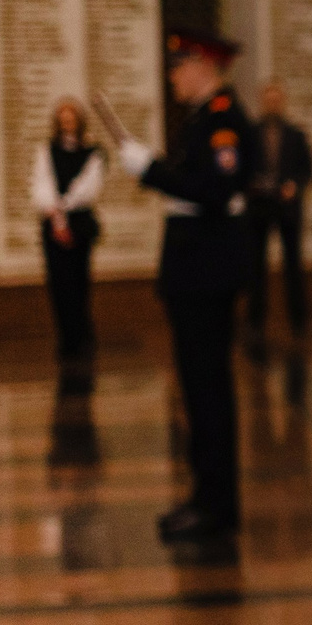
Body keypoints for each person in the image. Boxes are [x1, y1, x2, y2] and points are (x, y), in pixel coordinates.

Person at [111, 31, 255, 544]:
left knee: (209, 391)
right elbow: (198, 187)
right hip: (195, 275)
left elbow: (217, 191)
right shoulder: (203, 120)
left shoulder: (223, 122)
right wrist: (159, 171)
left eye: (178, 65)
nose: (172, 74)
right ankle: (205, 496)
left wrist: (151, 172)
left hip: (207, 276)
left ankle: (217, 506)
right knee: (197, 391)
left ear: (203, 65)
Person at [31, 98, 107, 361]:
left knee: (79, 280)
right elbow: (42, 183)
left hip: (79, 223)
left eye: (71, 118)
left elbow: (89, 187)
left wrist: (64, 208)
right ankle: (66, 336)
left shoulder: (92, 152)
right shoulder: (47, 151)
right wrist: (56, 216)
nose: (67, 124)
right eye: (62, 119)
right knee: (58, 282)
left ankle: (82, 333)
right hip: (53, 223)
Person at [246, 81, 312, 335]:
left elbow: (307, 170)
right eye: (268, 99)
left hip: (288, 209)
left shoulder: (296, 135)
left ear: (282, 102)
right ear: (263, 102)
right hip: (259, 208)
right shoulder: (251, 135)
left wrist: (294, 186)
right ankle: (255, 320)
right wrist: (252, 184)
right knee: (255, 266)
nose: (273, 104)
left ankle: (298, 320)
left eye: (277, 99)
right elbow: (243, 170)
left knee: (293, 265)